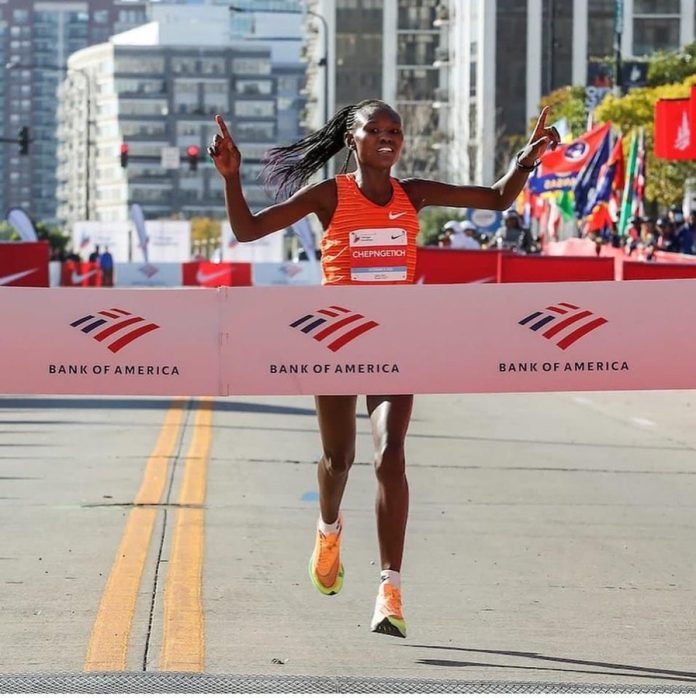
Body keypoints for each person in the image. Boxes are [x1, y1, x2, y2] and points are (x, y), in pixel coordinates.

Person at [208, 99, 559, 638]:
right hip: (336, 344)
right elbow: (249, 229)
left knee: (391, 453)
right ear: (354, 138)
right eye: (376, 129)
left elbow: (496, 198)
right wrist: (232, 177)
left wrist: (526, 161)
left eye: (395, 130)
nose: (388, 137)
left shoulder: (412, 194)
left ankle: (389, 587)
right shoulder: (331, 195)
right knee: (338, 458)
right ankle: (328, 528)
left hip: (395, 343)